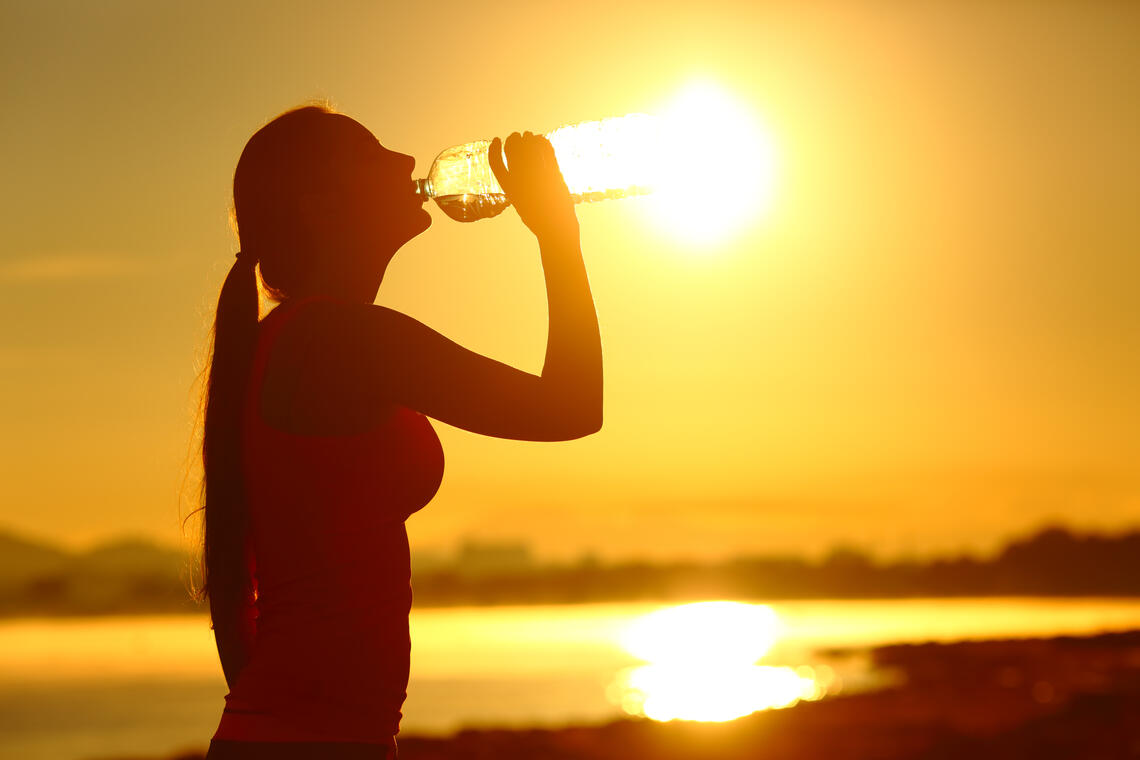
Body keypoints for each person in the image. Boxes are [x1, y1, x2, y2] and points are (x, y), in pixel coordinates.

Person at [197, 105, 603, 759]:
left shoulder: (299, 338)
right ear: (323, 206)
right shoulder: (340, 339)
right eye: (375, 153)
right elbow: (570, 407)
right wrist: (557, 231)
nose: (407, 163)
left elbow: (234, 572)